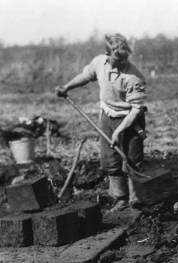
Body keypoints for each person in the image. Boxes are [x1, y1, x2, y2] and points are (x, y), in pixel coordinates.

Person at [55, 34, 147, 211]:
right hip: (107, 115)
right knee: (110, 160)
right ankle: (120, 198)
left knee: (132, 161)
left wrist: (119, 131)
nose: (121, 63)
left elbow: (136, 109)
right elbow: (85, 76)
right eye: (117, 59)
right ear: (107, 54)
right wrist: (66, 87)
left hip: (131, 119)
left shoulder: (134, 77)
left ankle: (137, 202)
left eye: (124, 59)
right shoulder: (99, 62)